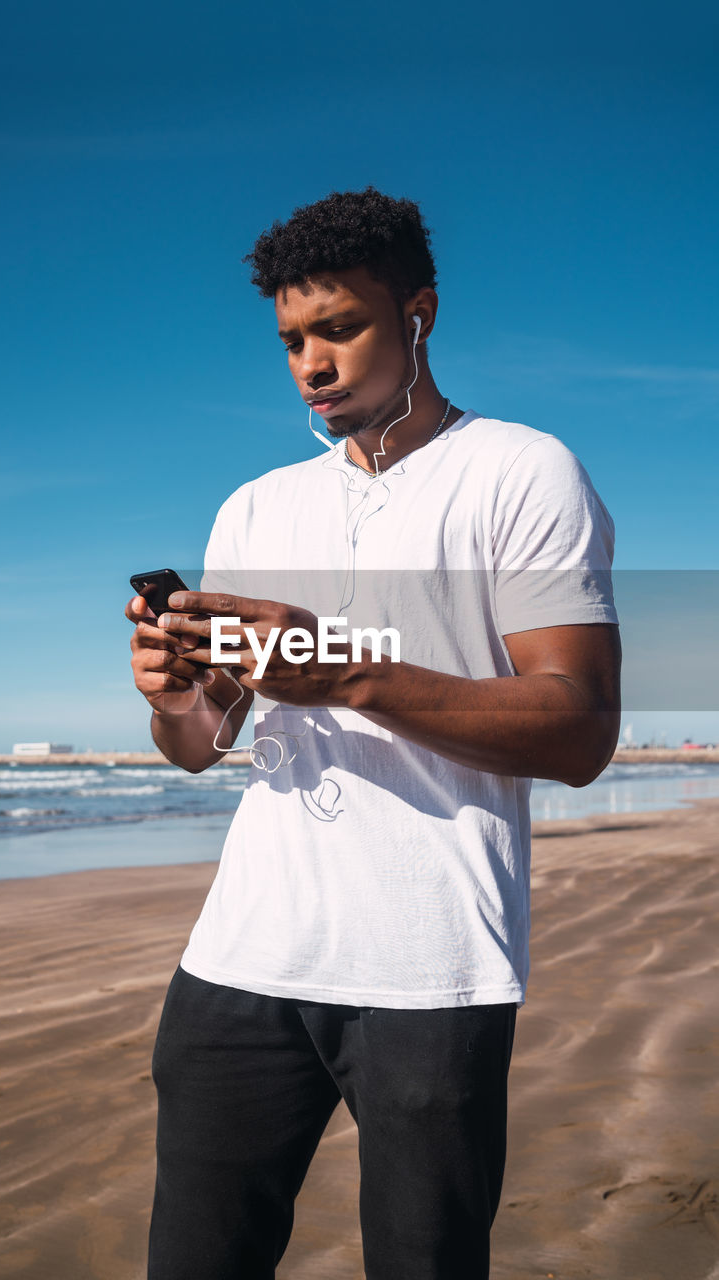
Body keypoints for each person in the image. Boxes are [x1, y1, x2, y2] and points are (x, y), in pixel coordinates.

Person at [126, 187, 621, 1279]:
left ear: (418, 312)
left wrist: (341, 667)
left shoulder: (520, 470)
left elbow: (577, 726)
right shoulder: (253, 505)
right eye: (292, 340)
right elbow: (209, 741)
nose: (310, 363)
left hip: (431, 964)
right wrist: (176, 698)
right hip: (238, 957)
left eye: (339, 327)